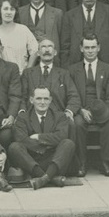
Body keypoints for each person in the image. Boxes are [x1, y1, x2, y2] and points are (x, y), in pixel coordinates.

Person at [22, 38, 83, 173]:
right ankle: (33, 166)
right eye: (43, 47)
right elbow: (22, 96)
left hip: (57, 117)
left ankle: (70, 164)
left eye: (50, 47)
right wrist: (22, 112)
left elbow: (74, 96)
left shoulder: (63, 73)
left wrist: (69, 111)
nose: (47, 50)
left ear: (55, 52)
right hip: (34, 115)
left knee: (72, 124)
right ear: (38, 52)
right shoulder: (28, 73)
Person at [7, 87, 76, 189]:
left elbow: (61, 137)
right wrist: (44, 146)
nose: (42, 102)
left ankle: (44, 179)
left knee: (68, 143)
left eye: (46, 99)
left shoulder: (60, 116)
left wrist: (39, 137)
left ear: (50, 100)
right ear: (31, 100)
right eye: (38, 98)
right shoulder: (23, 117)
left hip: (54, 161)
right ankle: (49, 178)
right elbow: (21, 139)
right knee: (14, 147)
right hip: (32, 162)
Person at [68, 35, 109, 175]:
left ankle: (105, 162)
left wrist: (104, 111)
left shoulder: (108, 70)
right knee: (77, 124)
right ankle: (81, 163)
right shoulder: (72, 70)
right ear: (81, 49)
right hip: (82, 109)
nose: (90, 51)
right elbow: (71, 94)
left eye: (93, 47)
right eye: (87, 47)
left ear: (99, 48)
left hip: (103, 109)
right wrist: (81, 110)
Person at [61, 0, 109, 66]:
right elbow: (64, 47)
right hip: (76, 67)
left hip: (105, 66)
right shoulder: (69, 16)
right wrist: (67, 68)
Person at [0, 0, 41, 72]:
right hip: (1, 77)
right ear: (0, 11)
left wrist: (27, 71)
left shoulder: (23, 30)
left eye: (12, 9)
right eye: (5, 9)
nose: (9, 12)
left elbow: (34, 51)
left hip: (21, 76)